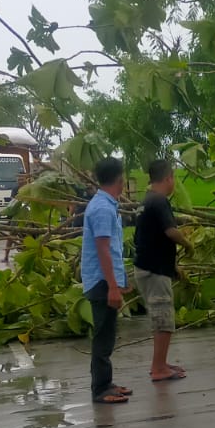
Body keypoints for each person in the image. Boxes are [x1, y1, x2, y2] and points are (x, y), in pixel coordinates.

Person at [135, 157, 189, 383]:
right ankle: (158, 368)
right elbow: (170, 232)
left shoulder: (147, 200)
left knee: (162, 317)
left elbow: (150, 239)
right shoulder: (159, 201)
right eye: (173, 177)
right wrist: (188, 244)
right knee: (163, 319)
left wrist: (173, 266)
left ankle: (161, 363)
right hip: (154, 271)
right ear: (168, 178)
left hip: (152, 266)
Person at [82, 157, 130, 405]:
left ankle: (107, 382)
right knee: (102, 335)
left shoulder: (105, 204)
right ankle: (100, 389)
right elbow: (103, 249)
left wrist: (121, 280)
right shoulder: (102, 208)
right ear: (120, 179)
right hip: (101, 281)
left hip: (105, 279)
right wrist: (112, 285)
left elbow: (112, 249)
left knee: (108, 334)